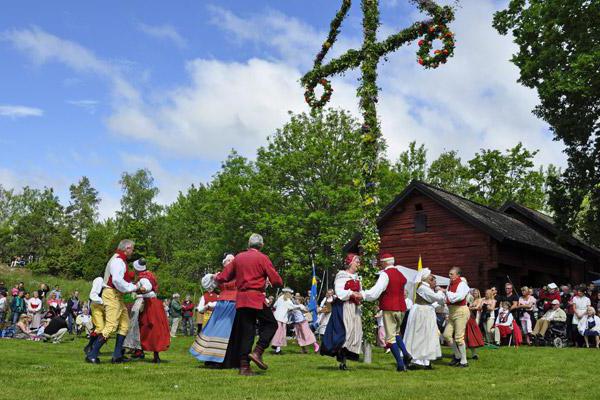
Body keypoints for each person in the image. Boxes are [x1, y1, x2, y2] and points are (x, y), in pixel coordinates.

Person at [212, 233, 283, 376]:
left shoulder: (238, 257)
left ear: (248, 245)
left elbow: (224, 277)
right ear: (261, 245)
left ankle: (244, 367)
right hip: (255, 297)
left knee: (247, 332)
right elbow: (276, 280)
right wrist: (276, 282)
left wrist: (215, 277)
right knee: (271, 324)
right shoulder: (263, 258)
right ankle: (258, 351)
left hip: (242, 299)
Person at [85, 239, 145, 364]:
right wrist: (134, 287)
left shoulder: (119, 259)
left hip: (116, 295)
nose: (132, 251)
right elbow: (117, 281)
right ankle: (92, 354)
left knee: (125, 324)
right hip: (112, 294)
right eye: (132, 249)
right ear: (126, 248)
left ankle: (117, 355)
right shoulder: (118, 261)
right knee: (111, 326)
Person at [362, 253, 411, 372]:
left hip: (390, 307)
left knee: (390, 338)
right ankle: (405, 353)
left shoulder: (385, 274)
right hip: (402, 307)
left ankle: (400, 364)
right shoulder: (400, 274)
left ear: (385, 263)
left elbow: (377, 290)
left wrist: (364, 294)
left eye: (381, 262)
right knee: (397, 333)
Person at [190, 254, 240, 367]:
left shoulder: (239, 274)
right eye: (228, 261)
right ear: (224, 263)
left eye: (233, 260)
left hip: (234, 304)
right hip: (222, 305)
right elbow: (206, 284)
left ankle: (227, 360)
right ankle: (212, 358)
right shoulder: (221, 275)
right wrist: (213, 276)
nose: (231, 262)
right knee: (216, 330)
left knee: (229, 332)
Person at [320, 253, 363, 371]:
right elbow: (339, 292)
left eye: (359, 262)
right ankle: (342, 359)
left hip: (354, 308)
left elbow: (361, 291)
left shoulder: (358, 277)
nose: (359, 264)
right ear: (350, 263)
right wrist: (351, 293)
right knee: (345, 333)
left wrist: (360, 295)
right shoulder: (341, 275)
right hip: (343, 307)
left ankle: (344, 360)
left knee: (354, 334)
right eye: (357, 262)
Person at [404, 268, 445, 370]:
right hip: (422, 314)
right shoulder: (423, 287)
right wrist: (440, 292)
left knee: (428, 336)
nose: (431, 277)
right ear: (425, 277)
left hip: (426, 312)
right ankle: (416, 360)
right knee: (420, 336)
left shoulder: (426, 287)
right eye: (430, 275)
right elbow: (437, 298)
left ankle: (426, 361)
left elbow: (433, 301)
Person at [135, 258, 171, 363]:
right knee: (152, 327)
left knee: (148, 327)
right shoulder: (149, 275)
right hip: (154, 303)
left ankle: (147, 352)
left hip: (149, 304)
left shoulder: (143, 278)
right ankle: (147, 352)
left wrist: (137, 290)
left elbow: (147, 287)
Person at [443, 267, 470, 368]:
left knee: (459, 337)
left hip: (461, 311)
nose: (449, 276)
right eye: (449, 274)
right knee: (446, 335)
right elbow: (447, 298)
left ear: (458, 275)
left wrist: (446, 293)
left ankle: (464, 361)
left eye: (451, 274)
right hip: (452, 311)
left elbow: (458, 297)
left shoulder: (462, 284)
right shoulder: (450, 284)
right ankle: (458, 356)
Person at [271, 288, 297, 354]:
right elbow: (293, 307)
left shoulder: (280, 298)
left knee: (277, 333)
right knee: (280, 334)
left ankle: (277, 347)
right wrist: (300, 306)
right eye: (291, 294)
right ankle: (277, 349)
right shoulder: (288, 300)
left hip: (276, 317)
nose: (291, 295)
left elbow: (274, 305)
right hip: (282, 319)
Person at [84, 276, 105, 354]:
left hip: (104, 307)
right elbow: (93, 295)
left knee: (103, 329)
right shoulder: (100, 279)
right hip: (97, 306)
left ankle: (94, 347)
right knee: (99, 327)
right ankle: (90, 346)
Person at [465, 288, 484, 359]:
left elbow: (477, 307)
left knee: (472, 336)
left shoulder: (478, 299)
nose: (474, 294)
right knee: (465, 336)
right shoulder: (470, 299)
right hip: (466, 318)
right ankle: (460, 354)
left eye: (476, 293)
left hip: (472, 318)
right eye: (473, 293)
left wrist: (468, 308)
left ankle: (474, 354)